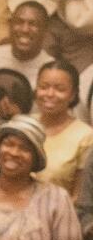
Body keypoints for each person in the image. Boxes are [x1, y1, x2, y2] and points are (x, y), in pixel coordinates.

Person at [34, 59, 93, 198]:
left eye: (59, 89)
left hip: (59, 216)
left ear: (73, 95)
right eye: (43, 87)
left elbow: (79, 197)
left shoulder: (86, 136)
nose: (49, 94)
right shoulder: (24, 124)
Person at [0, 0, 54, 92]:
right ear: (10, 25)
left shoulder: (52, 71)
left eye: (33, 24)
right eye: (19, 22)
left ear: (45, 31)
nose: (25, 29)